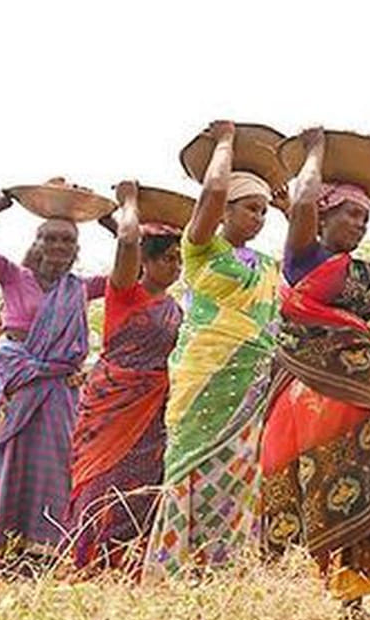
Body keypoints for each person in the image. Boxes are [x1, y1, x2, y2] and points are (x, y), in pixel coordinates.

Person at [259, 127, 370, 620]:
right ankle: (298, 596)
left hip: (356, 403)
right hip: (306, 394)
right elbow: (302, 201)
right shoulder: (304, 256)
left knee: (353, 488)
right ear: (323, 215)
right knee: (309, 488)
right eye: (350, 214)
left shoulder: (362, 273)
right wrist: (316, 151)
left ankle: (350, 602)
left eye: (364, 218)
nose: (358, 225)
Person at [144, 121, 286, 578]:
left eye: (264, 212)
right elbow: (211, 193)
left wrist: (287, 206)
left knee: (241, 472)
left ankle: (226, 571)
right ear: (224, 210)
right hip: (203, 377)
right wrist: (225, 143)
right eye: (250, 209)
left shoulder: (269, 266)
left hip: (251, 382)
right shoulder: (201, 250)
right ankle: (175, 568)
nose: (259, 219)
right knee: (190, 466)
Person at [0, 190, 108, 573]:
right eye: (49, 238)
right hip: (16, 387)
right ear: (36, 243)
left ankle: (42, 553)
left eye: (67, 240)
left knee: (54, 464)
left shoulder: (80, 288)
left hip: (58, 392)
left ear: (76, 249)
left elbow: (134, 270)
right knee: (5, 461)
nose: (58, 246)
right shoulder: (12, 275)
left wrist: (108, 219)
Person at [67, 182, 184, 574]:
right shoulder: (125, 292)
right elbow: (127, 241)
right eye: (167, 259)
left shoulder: (175, 308)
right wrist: (129, 201)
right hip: (113, 402)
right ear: (144, 262)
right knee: (101, 476)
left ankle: (126, 567)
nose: (176, 267)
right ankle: (86, 561)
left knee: (143, 483)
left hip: (154, 408)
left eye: (179, 260)